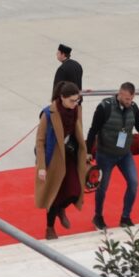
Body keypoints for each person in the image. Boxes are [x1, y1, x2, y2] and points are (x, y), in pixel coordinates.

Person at [86, 82, 139, 230]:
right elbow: (93, 130)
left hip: (125, 154)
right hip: (105, 154)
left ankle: (125, 217)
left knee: (134, 183)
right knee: (102, 187)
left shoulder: (134, 108)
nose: (128, 102)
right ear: (119, 93)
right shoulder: (104, 107)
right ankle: (98, 217)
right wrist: (87, 152)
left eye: (130, 99)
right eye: (125, 99)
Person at [36, 81, 89, 240]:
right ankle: (50, 228)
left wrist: (84, 152)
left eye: (77, 100)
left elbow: (78, 133)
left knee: (76, 191)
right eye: (72, 100)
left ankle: (60, 209)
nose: (75, 103)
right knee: (55, 195)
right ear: (62, 98)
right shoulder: (48, 114)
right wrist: (41, 167)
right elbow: (40, 142)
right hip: (54, 161)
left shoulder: (76, 110)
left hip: (71, 157)